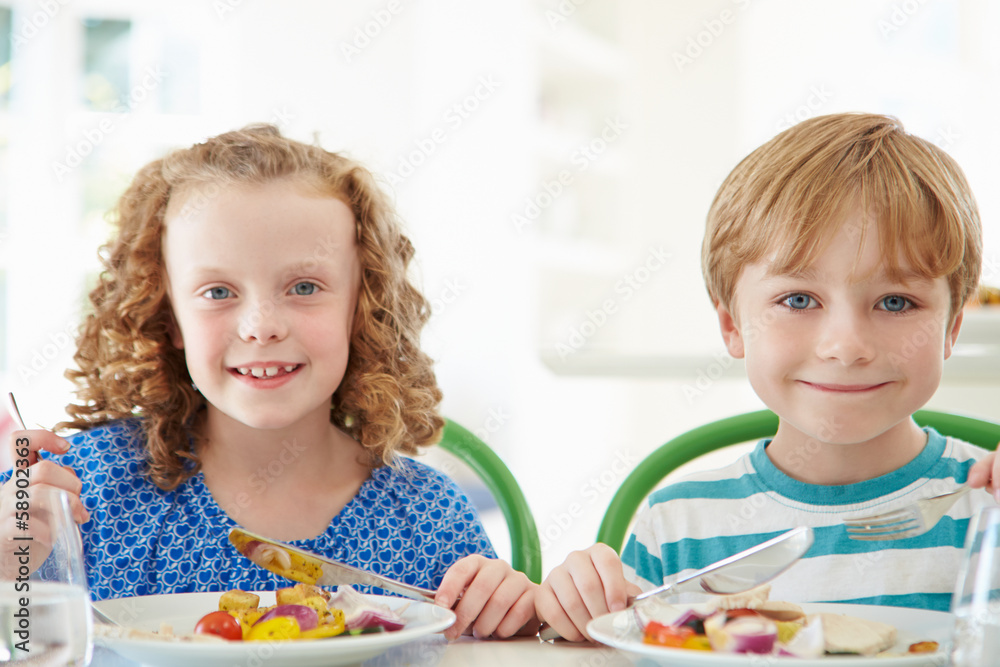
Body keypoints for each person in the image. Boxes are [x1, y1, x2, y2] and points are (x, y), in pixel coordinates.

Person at [0, 125, 537, 640]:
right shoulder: (75, 496)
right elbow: (25, 644)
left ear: (361, 308)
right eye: (217, 292)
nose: (261, 326)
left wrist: (519, 620)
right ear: (168, 317)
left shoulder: (427, 515)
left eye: (304, 286)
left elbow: (481, 646)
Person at [535, 112, 1000, 641]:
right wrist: (571, 613)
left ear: (951, 328)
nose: (845, 346)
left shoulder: (990, 514)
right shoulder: (678, 528)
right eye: (798, 300)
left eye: (896, 301)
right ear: (733, 325)